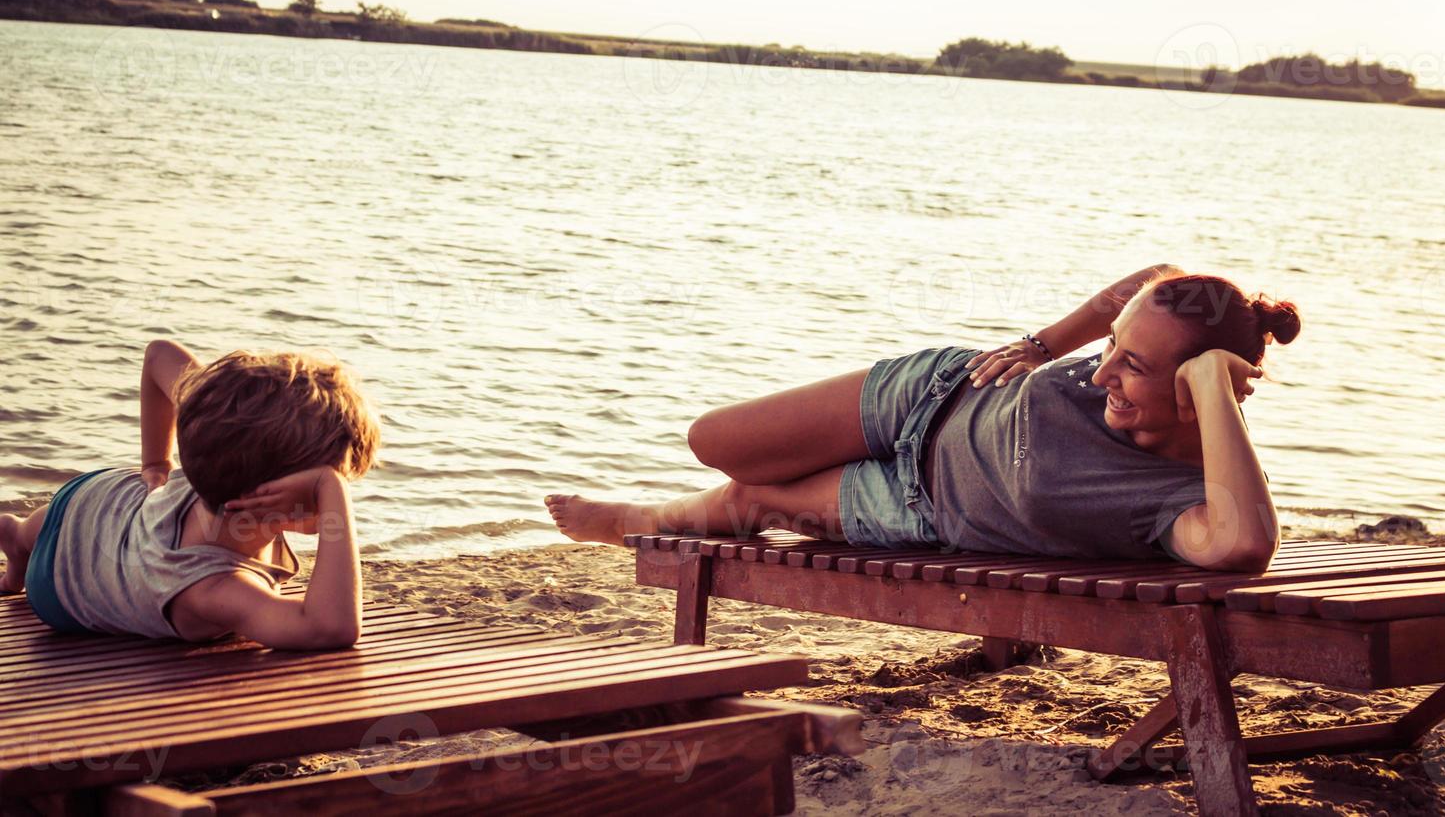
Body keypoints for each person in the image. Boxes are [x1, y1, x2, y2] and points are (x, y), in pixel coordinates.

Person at [545, 265, 1300, 573]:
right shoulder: (1122, 352)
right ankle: (664, 507)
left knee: (750, 501)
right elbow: (1152, 279)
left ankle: (636, 519)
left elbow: (1243, 545)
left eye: (1132, 367)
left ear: (1200, 388)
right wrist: (1042, 345)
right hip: (937, 391)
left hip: (917, 504)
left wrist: (1212, 388)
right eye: (1111, 351)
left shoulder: (1188, 496)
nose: (1102, 372)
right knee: (715, 442)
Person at [0, 339, 380, 649]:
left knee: (35, 530)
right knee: (44, 536)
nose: (339, 499)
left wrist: (154, 465)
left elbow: (159, 355)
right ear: (267, 496)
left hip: (103, 498)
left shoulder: (225, 441)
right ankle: (19, 545)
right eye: (330, 487)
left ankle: (16, 537)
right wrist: (334, 492)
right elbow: (331, 629)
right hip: (55, 581)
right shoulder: (213, 586)